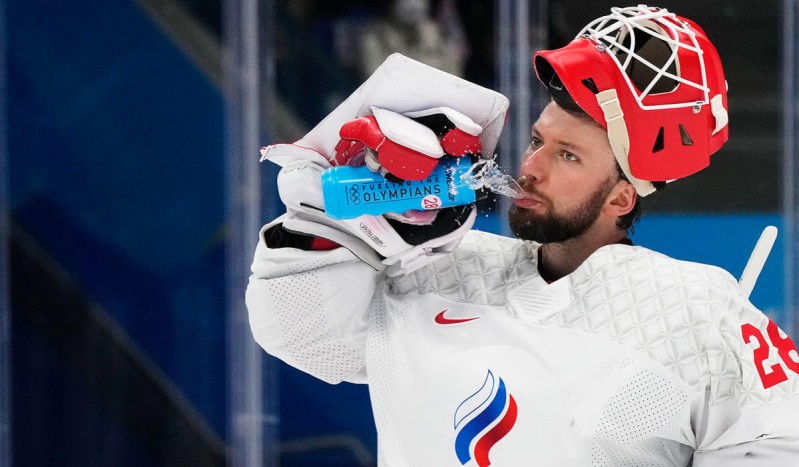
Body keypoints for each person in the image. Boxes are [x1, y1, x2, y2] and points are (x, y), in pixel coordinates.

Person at [247, 5, 799, 466]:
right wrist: (336, 221)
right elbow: (300, 334)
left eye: (568, 156)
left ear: (621, 197)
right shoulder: (435, 268)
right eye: (538, 141)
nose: (531, 168)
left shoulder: (697, 313)